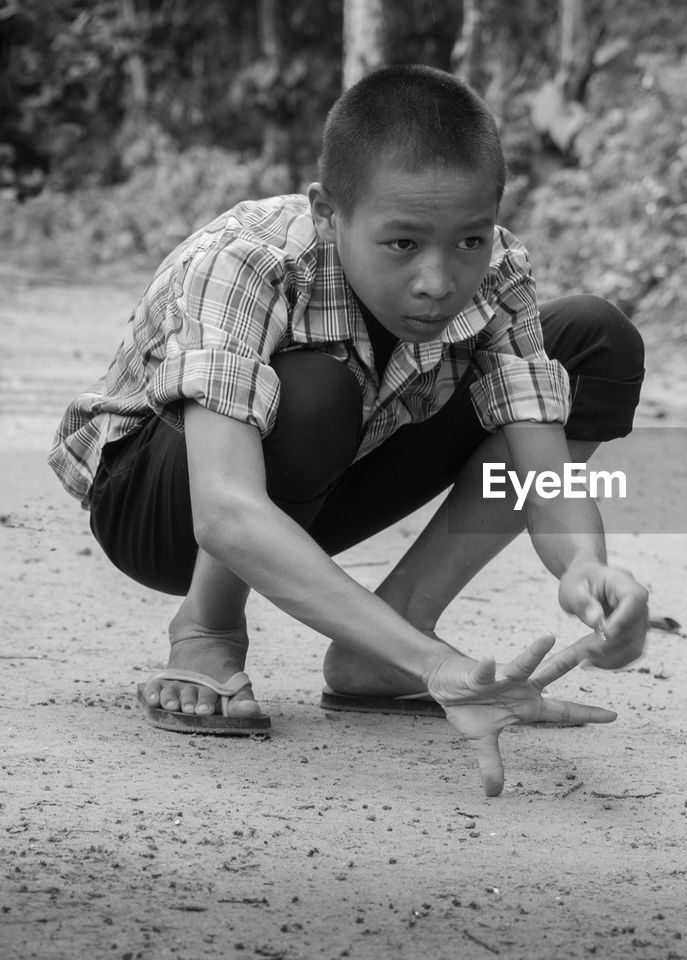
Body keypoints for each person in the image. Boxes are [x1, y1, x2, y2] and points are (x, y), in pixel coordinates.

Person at [47, 64, 649, 797]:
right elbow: (226, 509)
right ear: (329, 213)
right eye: (401, 244)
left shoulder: (497, 275)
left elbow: (543, 467)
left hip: (328, 483)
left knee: (593, 338)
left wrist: (585, 566)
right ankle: (207, 630)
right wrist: (438, 665)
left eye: (469, 240)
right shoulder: (248, 263)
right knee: (317, 389)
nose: (439, 280)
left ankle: (385, 644)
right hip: (165, 507)